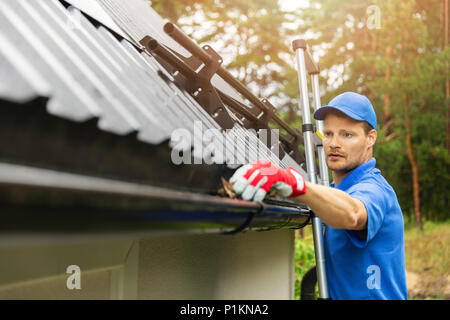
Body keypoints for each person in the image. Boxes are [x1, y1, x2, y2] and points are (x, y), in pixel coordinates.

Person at [230, 92, 408, 300]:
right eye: (329, 134)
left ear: (371, 138)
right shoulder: (335, 191)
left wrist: (293, 183)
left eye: (347, 135)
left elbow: (352, 213)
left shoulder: (375, 189)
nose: (334, 143)